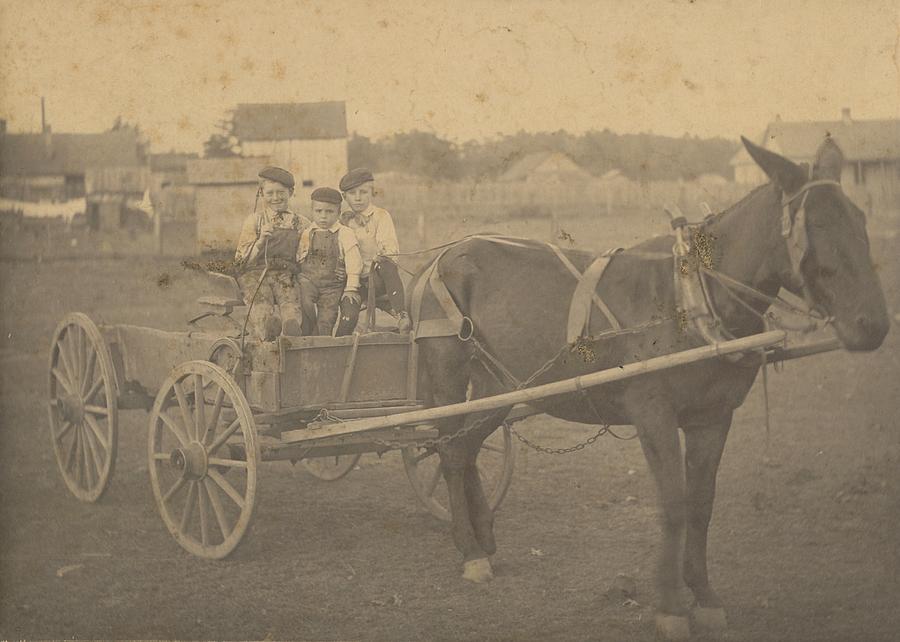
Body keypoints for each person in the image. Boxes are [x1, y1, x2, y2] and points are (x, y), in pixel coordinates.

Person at [234, 166, 309, 341]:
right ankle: (266, 332)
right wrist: (260, 242)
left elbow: (304, 256)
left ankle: (290, 331)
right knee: (260, 303)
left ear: (291, 192)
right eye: (270, 193)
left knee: (290, 301)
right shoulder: (255, 221)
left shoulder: (301, 223)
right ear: (262, 194)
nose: (276, 198)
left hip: (285, 274)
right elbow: (239, 262)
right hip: (255, 274)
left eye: (281, 192)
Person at [337, 168, 411, 333]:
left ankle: (401, 314)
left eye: (363, 192)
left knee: (387, 264)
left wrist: (382, 254)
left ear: (372, 193)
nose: (358, 197)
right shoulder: (341, 221)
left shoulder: (381, 216)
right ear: (344, 197)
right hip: (352, 282)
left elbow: (390, 246)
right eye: (352, 193)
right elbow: (337, 251)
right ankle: (337, 347)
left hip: (376, 278)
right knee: (348, 319)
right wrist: (340, 268)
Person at [296, 187, 363, 336]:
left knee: (327, 318)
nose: (323, 217)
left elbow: (354, 261)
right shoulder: (308, 232)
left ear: (338, 213)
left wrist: (351, 286)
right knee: (304, 300)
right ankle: (307, 329)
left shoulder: (345, 233)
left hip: (332, 286)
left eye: (329, 212)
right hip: (309, 280)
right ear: (312, 211)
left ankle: (322, 341)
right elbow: (300, 256)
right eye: (319, 212)